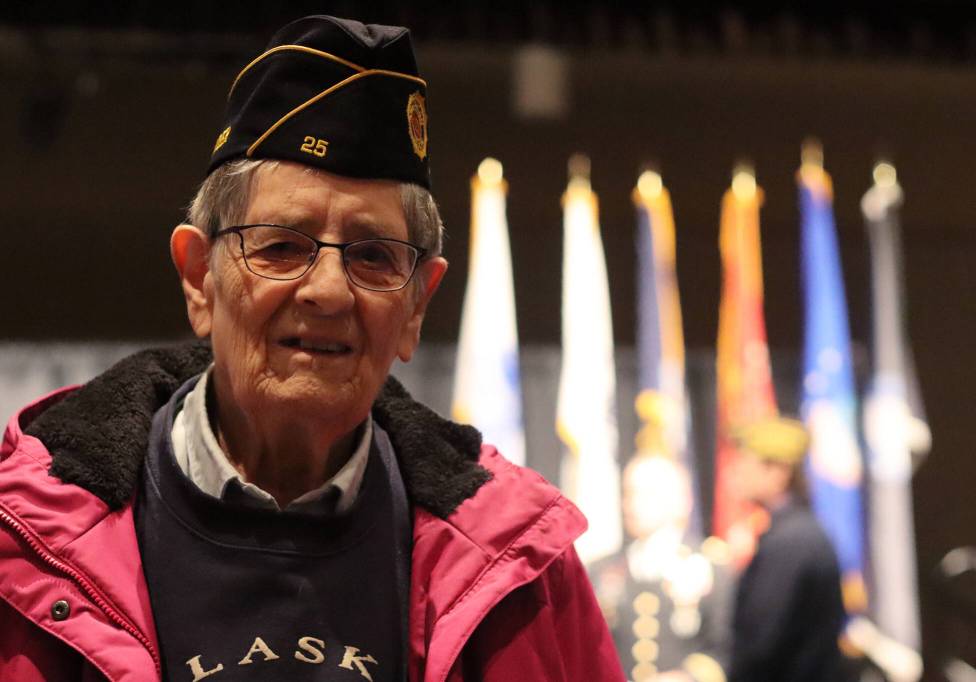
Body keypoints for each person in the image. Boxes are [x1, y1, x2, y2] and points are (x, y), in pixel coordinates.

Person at [0, 15, 623, 682]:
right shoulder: (23, 552)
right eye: (281, 246)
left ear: (416, 303)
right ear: (198, 278)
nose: (328, 291)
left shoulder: (525, 570)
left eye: (374, 256)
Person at [590, 452, 733, 682]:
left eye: (648, 495)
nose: (633, 504)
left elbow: (724, 648)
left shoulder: (710, 567)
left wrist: (687, 677)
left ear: (682, 501)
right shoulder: (601, 572)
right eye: (628, 494)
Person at [728, 415, 846, 682]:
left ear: (778, 472)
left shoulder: (790, 544)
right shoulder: (797, 533)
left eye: (745, 462)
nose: (735, 471)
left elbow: (759, 645)